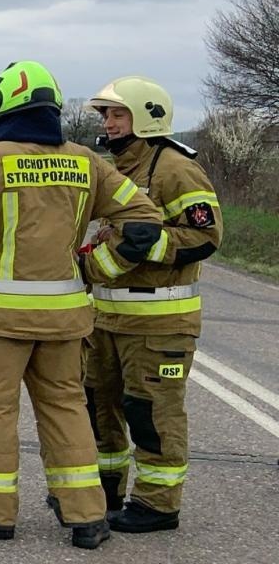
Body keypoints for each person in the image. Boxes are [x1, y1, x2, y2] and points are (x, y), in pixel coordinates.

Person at [0, 61, 162, 548]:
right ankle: (87, 517)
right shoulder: (87, 162)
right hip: (65, 323)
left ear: (1, 105)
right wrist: (98, 270)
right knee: (67, 409)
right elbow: (144, 222)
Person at [83, 77, 221, 533]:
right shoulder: (119, 167)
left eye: (117, 114)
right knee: (99, 406)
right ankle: (105, 493)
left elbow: (206, 236)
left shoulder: (174, 169)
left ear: (146, 116)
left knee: (151, 413)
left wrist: (149, 244)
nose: (109, 122)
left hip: (159, 324)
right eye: (106, 115)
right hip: (106, 319)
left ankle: (158, 504)